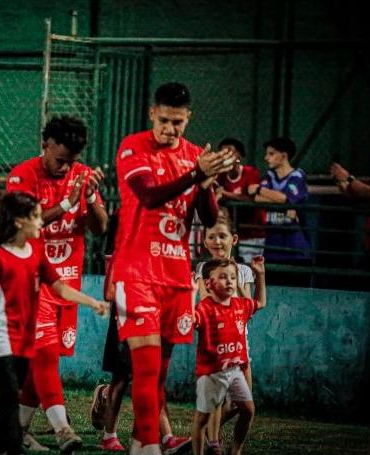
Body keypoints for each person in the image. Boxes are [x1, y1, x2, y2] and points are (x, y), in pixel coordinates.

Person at [111, 82, 233, 454]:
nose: (170, 129)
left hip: (176, 276)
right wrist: (197, 175)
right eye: (164, 120)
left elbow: (209, 217)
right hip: (137, 272)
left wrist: (210, 183)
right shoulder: (134, 146)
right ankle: (148, 446)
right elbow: (149, 196)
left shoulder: (195, 155)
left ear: (188, 118)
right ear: (152, 114)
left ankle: (139, 443)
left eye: (178, 122)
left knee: (159, 374)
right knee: (145, 370)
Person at [0, 192, 107, 454]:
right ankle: (28, 440)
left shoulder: (36, 253)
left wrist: (92, 302)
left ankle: (1, 445)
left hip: (27, 338)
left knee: (19, 392)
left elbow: (60, 288)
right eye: (36, 218)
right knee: (9, 395)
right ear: (19, 222)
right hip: (3, 339)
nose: (42, 224)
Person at [1, 115, 109, 450]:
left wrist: (89, 198)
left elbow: (100, 228)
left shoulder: (81, 176)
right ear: (44, 145)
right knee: (45, 356)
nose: (65, 169)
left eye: (72, 162)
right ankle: (63, 430)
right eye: (60, 160)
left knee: (44, 364)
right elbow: (23, 224)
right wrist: (66, 203)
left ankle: (15, 431)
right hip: (32, 283)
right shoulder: (22, 175)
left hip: (67, 284)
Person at [90, 210, 191, 453]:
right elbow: (109, 292)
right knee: (122, 377)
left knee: (152, 376)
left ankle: (165, 438)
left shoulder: (156, 245)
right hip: (126, 315)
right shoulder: (122, 247)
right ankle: (109, 434)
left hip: (148, 314)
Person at [193, 210, 257, 455]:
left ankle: (233, 447)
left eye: (222, 236)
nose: (216, 242)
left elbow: (248, 305)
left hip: (241, 346)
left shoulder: (244, 271)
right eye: (211, 237)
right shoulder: (203, 269)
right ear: (205, 241)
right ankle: (213, 442)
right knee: (216, 399)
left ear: (235, 239)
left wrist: (234, 276)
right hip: (215, 345)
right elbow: (206, 301)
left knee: (245, 405)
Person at [247, 137, 311, 264]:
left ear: (283, 156)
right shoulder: (269, 176)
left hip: (295, 248)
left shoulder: (297, 176)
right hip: (272, 246)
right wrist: (283, 202)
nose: (266, 158)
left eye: (271, 154)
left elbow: (285, 198)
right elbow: (257, 198)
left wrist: (259, 189)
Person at [214, 138, 266, 262]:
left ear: (239, 156)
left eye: (230, 152)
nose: (227, 155)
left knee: (248, 272)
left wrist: (226, 194)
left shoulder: (250, 173)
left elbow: (251, 200)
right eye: (223, 152)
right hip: (231, 234)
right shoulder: (220, 176)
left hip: (253, 234)